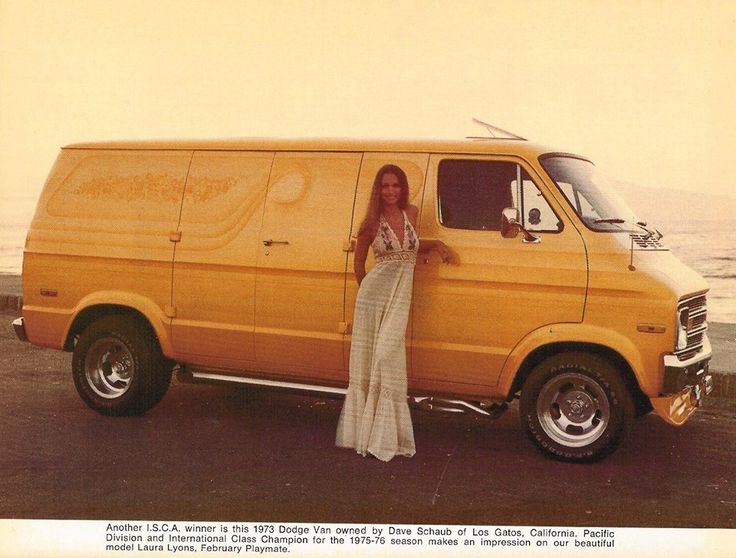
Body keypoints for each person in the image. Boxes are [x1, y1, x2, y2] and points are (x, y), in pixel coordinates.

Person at [335, 164, 451, 461]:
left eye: (395, 186)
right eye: (385, 186)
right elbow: (359, 266)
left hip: (400, 298)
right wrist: (369, 295)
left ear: (402, 189)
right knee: (381, 356)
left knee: (388, 355)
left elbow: (408, 247)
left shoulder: (410, 213)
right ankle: (372, 433)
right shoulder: (370, 223)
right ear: (378, 189)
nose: (390, 191)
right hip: (374, 299)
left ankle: (386, 434)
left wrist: (435, 244)